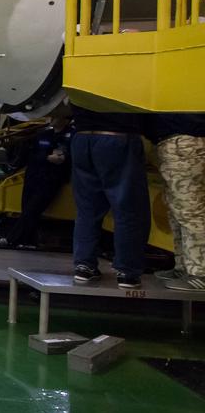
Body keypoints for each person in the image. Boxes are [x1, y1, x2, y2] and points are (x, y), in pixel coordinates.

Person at [70, 105, 150, 289]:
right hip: (118, 136)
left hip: (82, 137)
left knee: (87, 208)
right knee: (129, 208)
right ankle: (127, 272)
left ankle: (84, 266)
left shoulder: (82, 74)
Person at [144, 113, 205, 290]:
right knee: (178, 209)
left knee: (189, 211)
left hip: (182, 141)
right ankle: (184, 267)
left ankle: (199, 273)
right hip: (185, 140)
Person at [1, 113, 74, 250]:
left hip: (52, 177)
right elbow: (31, 154)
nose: (51, 118)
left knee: (33, 208)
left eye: (55, 116)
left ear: (65, 119)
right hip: (34, 175)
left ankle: (12, 239)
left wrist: (54, 158)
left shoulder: (70, 135)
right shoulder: (44, 135)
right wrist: (46, 157)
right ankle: (28, 240)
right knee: (27, 207)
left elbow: (65, 158)